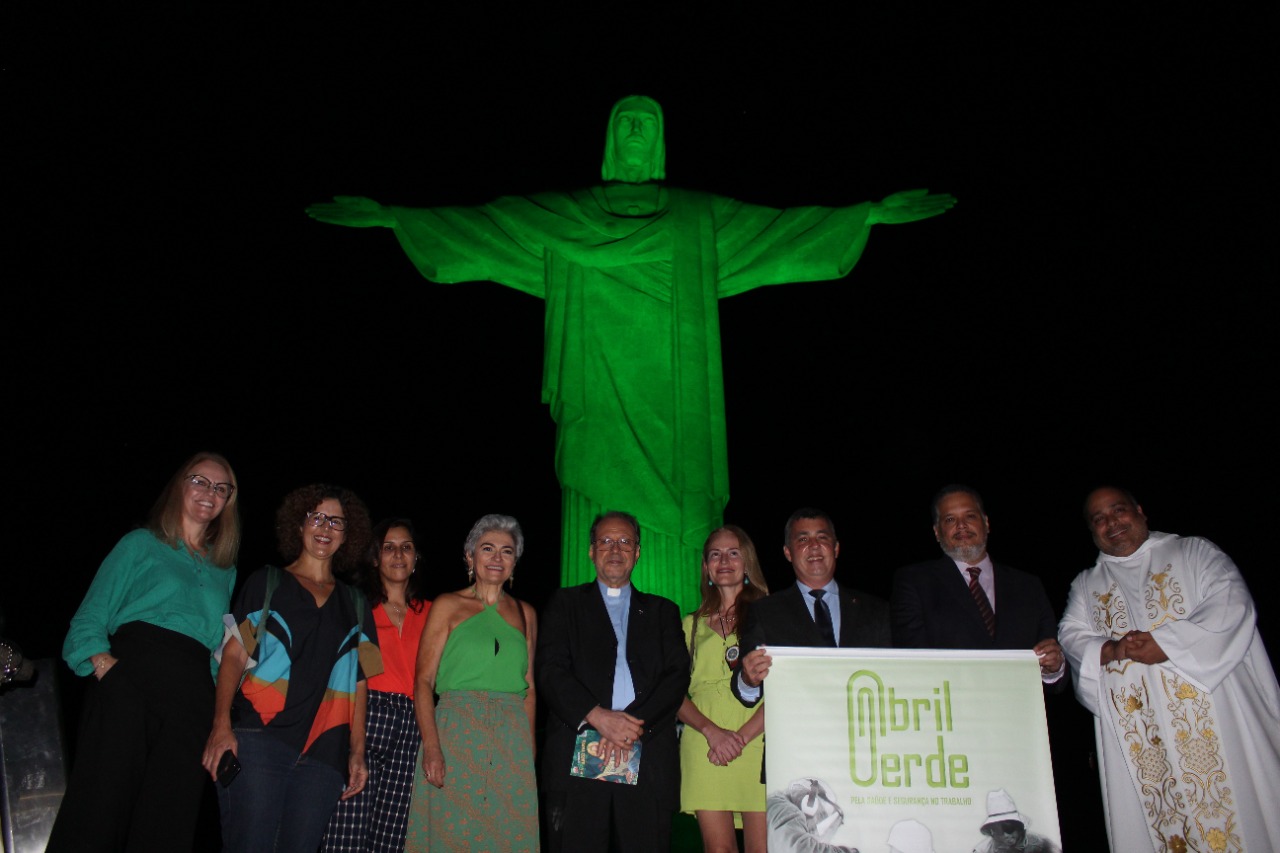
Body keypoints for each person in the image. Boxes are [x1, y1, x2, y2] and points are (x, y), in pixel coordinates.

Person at [306, 95, 956, 612]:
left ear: (663, 140)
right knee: (600, 535)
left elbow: (781, 234)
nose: (639, 134)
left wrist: (863, 216)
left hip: (680, 430)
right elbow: (487, 229)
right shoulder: (569, 217)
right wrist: (399, 219)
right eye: (629, 124)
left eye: (651, 124)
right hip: (599, 419)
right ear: (613, 139)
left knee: (682, 554)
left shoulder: (696, 219)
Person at [1058, 486, 1280, 851]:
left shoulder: (1193, 551)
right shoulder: (1086, 585)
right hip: (1142, 736)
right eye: (1099, 519)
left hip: (1216, 724)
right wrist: (1109, 648)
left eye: (1118, 511)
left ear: (1140, 511)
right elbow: (1070, 635)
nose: (1111, 523)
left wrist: (1168, 644)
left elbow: (1230, 600)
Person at [48, 451, 241, 853]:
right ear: (179, 486)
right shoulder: (140, 543)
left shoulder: (226, 569)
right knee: (98, 810)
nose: (211, 493)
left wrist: (217, 709)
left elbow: (215, 647)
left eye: (221, 488)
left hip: (190, 702)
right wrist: (111, 673)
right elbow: (88, 620)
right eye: (200, 481)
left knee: (168, 822)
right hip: (130, 683)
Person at [201, 484, 381, 853]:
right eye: (317, 517)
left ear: (347, 535)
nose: (325, 527)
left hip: (324, 755)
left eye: (336, 522)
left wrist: (357, 750)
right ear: (299, 525)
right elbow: (233, 657)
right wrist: (220, 725)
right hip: (258, 742)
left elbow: (362, 681)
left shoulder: (358, 604)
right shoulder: (266, 582)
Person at [536, 510, 690, 852]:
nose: (615, 549)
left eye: (625, 542)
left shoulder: (663, 611)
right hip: (578, 757)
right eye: (605, 541)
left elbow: (677, 675)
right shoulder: (565, 604)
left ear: (637, 552)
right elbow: (550, 669)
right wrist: (598, 717)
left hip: (646, 756)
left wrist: (629, 727)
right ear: (591, 551)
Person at [403, 513, 539, 851]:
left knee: (506, 833)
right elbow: (423, 681)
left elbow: (529, 689)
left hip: (510, 736)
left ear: (515, 562)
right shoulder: (448, 605)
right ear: (470, 556)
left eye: (506, 551)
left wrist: (529, 750)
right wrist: (433, 747)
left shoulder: (526, 613)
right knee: (454, 831)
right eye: (487, 548)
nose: (496, 558)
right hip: (456, 731)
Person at [322, 517, 432, 853]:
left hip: (413, 722)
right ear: (374, 558)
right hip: (365, 714)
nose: (398, 554)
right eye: (388, 547)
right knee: (346, 823)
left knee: (393, 834)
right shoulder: (356, 606)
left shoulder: (432, 612)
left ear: (416, 559)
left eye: (406, 547)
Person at [891, 485, 1066, 689]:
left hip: (1021, 713)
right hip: (954, 713)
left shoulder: (1028, 586)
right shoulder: (914, 582)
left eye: (970, 516)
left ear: (986, 523)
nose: (961, 526)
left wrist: (1055, 667)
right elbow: (912, 663)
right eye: (950, 520)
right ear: (937, 532)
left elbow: (1055, 673)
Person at [732, 508, 892, 709]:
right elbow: (745, 691)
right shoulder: (765, 612)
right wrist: (748, 679)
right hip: (798, 733)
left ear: (836, 548)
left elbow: (895, 676)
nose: (814, 546)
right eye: (803, 540)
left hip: (864, 731)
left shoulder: (876, 610)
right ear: (788, 552)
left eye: (822, 537)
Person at [677, 525, 769, 853]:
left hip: (759, 742)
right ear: (706, 568)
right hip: (705, 745)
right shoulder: (688, 626)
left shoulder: (773, 615)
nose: (724, 560)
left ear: (747, 562)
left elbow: (787, 691)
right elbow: (671, 694)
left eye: (733, 552)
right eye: (715, 554)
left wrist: (741, 737)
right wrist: (713, 733)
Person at [765, 777, 856, 853]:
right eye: (821, 814)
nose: (815, 824)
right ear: (809, 804)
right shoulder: (783, 808)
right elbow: (801, 850)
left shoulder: (776, 808)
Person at [970, 788, 1059, 853]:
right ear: (992, 832)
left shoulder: (1041, 843)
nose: (1006, 835)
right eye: (999, 831)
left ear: (1019, 827)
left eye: (1009, 829)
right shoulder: (982, 850)